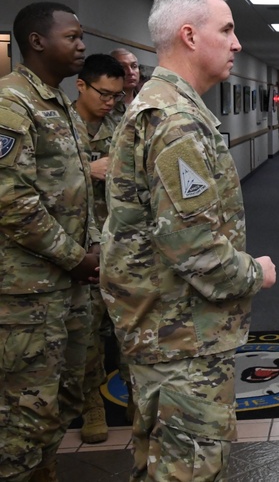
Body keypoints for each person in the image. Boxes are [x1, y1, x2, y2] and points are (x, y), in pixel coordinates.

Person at [102, 0, 277, 481]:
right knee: (187, 470)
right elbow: (194, 247)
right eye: (226, 29)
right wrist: (254, 274)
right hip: (181, 338)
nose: (237, 43)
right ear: (189, 36)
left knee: (161, 464)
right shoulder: (176, 121)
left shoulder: (166, 108)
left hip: (164, 329)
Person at [0, 1, 101, 481]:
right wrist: (76, 257)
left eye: (82, 37)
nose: (81, 45)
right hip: (27, 295)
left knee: (61, 404)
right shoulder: (11, 104)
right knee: (24, 417)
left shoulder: (62, 106)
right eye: (72, 37)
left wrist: (94, 246)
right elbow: (11, 202)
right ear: (37, 41)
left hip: (70, 287)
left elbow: (78, 189)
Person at [71, 53, 127, 444]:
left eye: (116, 95)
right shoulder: (59, 126)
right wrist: (84, 170)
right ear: (81, 86)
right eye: (103, 94)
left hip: (121, 242)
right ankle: (92, 403)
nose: (109, 102)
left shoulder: (121, 126)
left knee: (127, 327)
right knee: (88, 332)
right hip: (78, 248)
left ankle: (137, 397)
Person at [109, 47, 141, 123]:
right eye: (123, 67)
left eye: (134, 66)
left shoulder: (147, 104)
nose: (130, 72)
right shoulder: (105, 106)